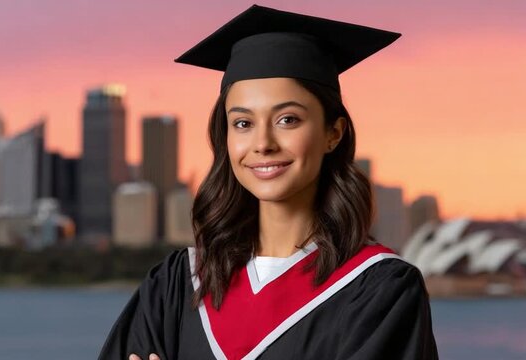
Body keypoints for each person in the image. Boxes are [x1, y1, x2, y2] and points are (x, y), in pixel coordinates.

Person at [99, 4, 439, 360]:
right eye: (243, 123)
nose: (262, 144)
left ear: (333, 134)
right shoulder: (175, 285)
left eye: (288, 119)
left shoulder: (379, 291)